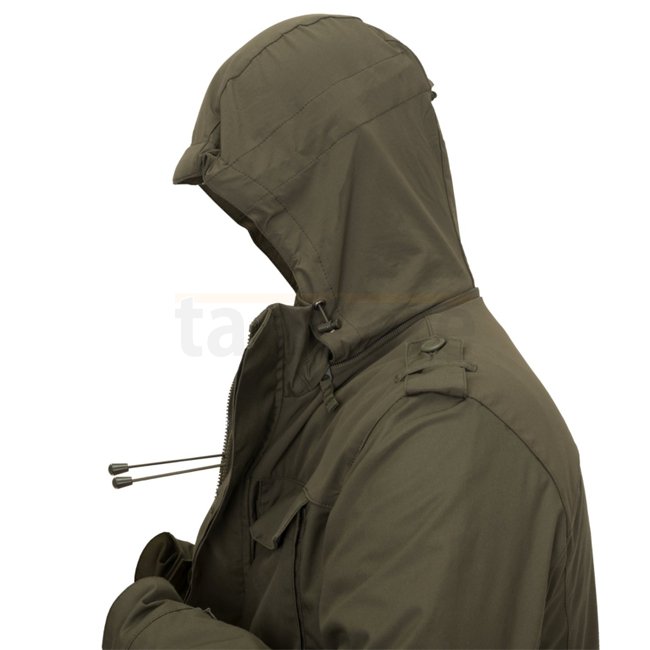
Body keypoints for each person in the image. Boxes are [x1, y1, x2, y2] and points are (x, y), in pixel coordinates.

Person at [102, 13, 599, 649]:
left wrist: (147, 629)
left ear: (332, 190)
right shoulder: (353, 380)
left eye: (272, 209)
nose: (264, 239)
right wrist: (206, 581)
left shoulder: (450, 428)